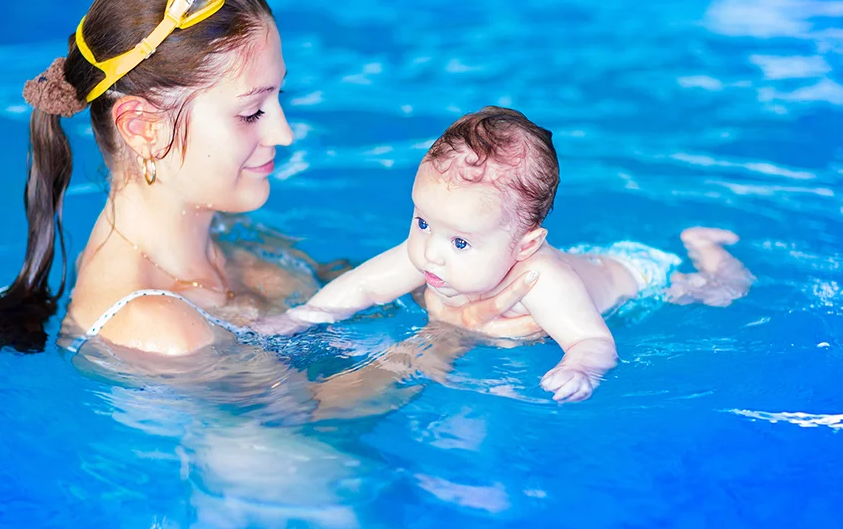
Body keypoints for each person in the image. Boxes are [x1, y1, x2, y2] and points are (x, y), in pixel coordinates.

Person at [0, 0, 540, 381]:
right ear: (144, 128)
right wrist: (448, 338)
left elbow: (341, 293)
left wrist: (456, 286)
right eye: (251, 112)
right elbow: (305, 423)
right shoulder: (150, 326)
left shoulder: (216, 235)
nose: (284, 132)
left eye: (278, 99)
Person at [254, 107, 755, 402]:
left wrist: (582, 367)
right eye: (422, 220)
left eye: (460, 241)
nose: (430, 249)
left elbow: (591, 338)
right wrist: (301, 317)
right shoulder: (435, 249)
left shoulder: (542, 278)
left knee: (719, 295)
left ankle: (704, 249)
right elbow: (361, 286)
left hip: (640, 277)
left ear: (524, 247)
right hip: (586, 260)